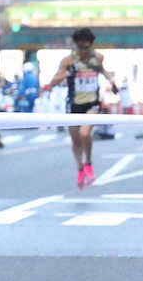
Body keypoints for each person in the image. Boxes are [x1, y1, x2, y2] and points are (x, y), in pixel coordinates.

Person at [42, 28, 117, 189]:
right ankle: (80, 168)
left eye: (87, 47)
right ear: (75, 45)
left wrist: (112, 81)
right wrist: (66, 74)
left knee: (84, 133)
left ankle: (89, 162)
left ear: (91, 45)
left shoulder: (98, 58)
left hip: (92, 103)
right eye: (80, 47)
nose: (84, 51)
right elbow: (54, 80)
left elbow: (104, 71)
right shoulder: (68, 61)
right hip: (74, 104)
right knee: (76, 140)